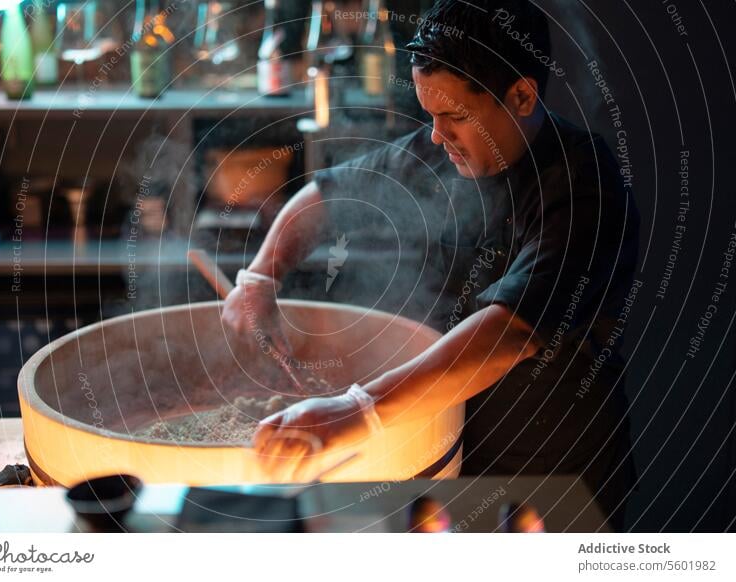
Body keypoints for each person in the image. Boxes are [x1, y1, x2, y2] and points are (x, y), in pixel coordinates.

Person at [222, 0, 640, 531]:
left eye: (456, 117)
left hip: (553, 470)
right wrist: (260, 277)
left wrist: (356, 411)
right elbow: (326, 195)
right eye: (431, 116)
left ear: (522, 95)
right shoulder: (436, 149)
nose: (438, 137)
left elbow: (510, 331)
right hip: (450, 454)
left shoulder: (586, 185)